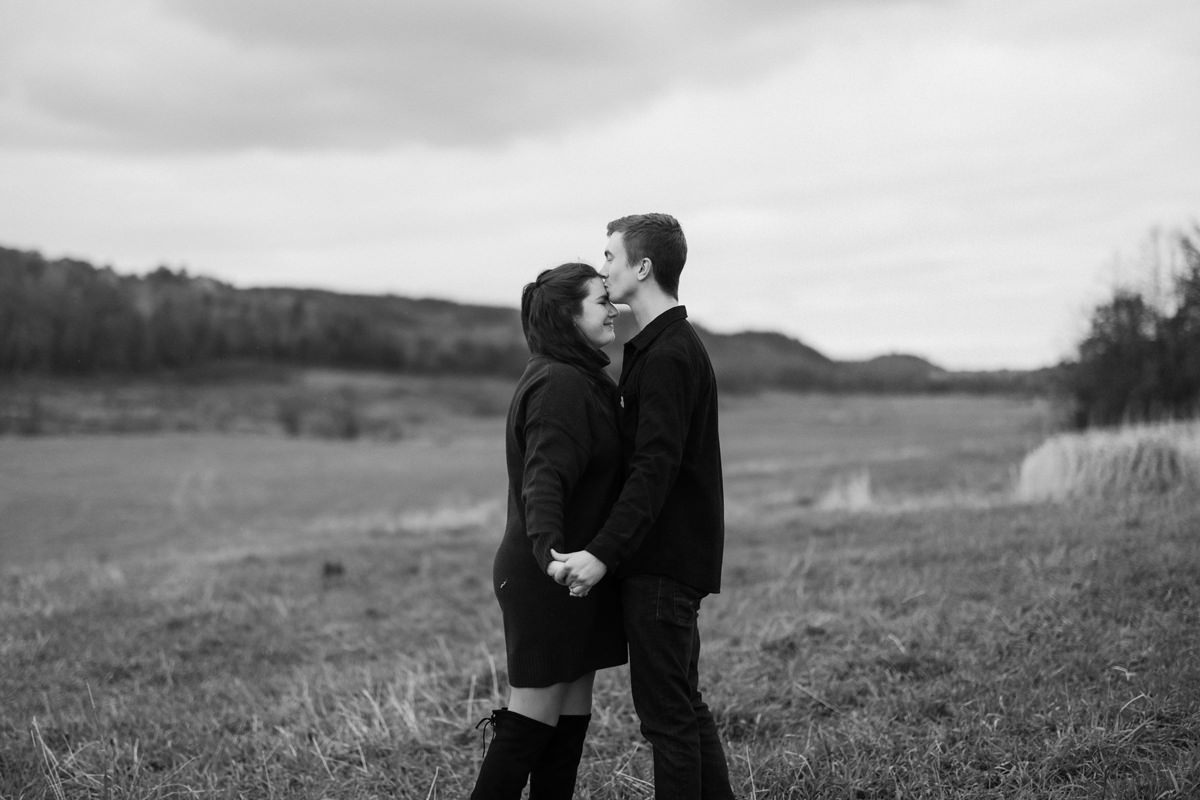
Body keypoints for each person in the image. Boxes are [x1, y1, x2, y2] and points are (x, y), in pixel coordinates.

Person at [551, 213, 734, 799]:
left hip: (662, 563)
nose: (603, 271)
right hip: (670, 558)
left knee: (666, 720)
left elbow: (655, 471)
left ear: (642, 267)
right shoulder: (659, 346)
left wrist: (602, 553)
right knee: (684, 705)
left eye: (609, 257)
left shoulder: (668, 354)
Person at [470, 262, 627, 800]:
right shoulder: (559, 382)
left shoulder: (580, 376)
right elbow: (544, 482)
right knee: (532, 720)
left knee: (570, 717)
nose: (615, 309)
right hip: (550, 575)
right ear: (568, 314)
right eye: (601, 300)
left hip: (575, 573)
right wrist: (552, 556)